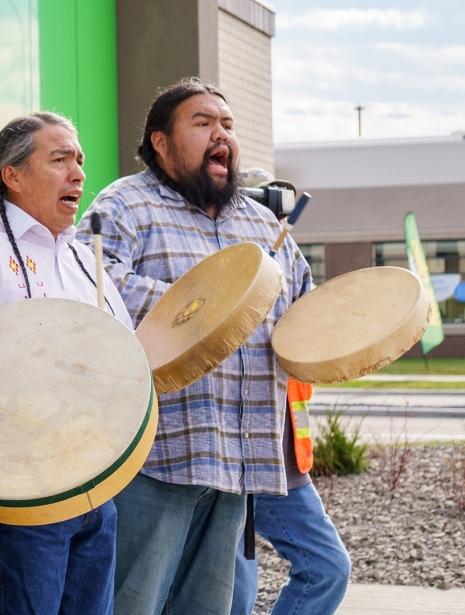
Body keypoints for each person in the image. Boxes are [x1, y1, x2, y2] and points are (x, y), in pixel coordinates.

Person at [76, 78, 312, 615]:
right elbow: (94, 288)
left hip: (239, 457)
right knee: (131, 603)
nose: (220, 135)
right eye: (202, 124)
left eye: (226, 125)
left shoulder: (260, 224)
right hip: (156, 457)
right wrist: (210, 303)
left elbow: (302, 306)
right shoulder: (124, 206)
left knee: (207, 608)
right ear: (160, 142)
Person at [0, 112, 134, 615]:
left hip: (95, 488)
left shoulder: (82, 257)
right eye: (60, 159)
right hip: (25, 494)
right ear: (14, 175)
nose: (79, 174)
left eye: (80, 161)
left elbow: (124, 352)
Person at [229, 169, 350, 615]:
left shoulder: (289, 263)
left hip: (282, 466)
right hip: (228, 461)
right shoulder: (224, 269)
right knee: (234, 595)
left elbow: (317, 330)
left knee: (327, 568)